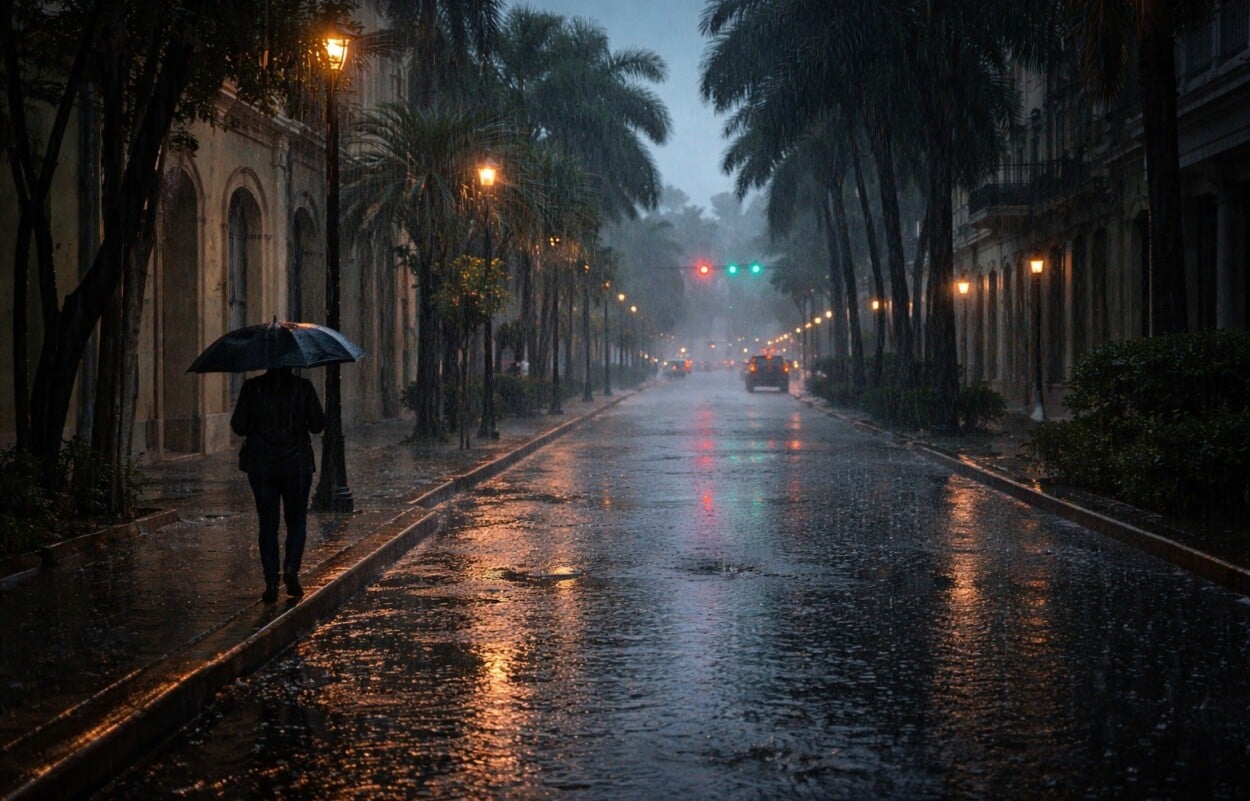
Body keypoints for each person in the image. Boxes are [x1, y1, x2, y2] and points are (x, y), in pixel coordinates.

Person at [231, 367, 326, 603]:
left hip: (262, 465)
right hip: (297, 465)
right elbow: (317, 425)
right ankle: (292, 566)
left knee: (267, 523)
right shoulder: (303, 388)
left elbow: (239, 425)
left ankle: (271, 581)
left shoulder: (252, 388)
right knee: (296, 521)